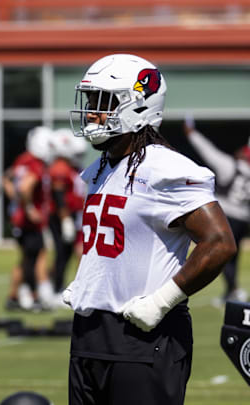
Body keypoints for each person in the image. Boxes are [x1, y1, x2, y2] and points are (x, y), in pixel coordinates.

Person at [64, 54, 236, 405]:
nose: (92, 112)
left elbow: (219, 242)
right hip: (89, 334)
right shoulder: (100, 167)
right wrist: (88, 283)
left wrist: (162, 301)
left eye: (103, 102)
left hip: (144, 334)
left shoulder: (164, 168)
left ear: (138, 106)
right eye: (91, 101)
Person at [184, 116, 249, 303]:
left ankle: (234, 290)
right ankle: (231, 291)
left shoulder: (230, 166)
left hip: (226, 215)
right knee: (232, 256)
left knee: (222, 254)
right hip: (243, 219)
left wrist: (192, 133)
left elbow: (208, 152)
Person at [3, 126, 55, 310]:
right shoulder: (35, 164)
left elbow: (7, 179)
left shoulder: (22, 160)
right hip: (27, 221)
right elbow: (26, 187)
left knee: (28, 257)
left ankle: (15, 297)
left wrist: (15, 201)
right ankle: (31, 295)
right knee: (33, 257)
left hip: (19, 218)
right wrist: (29, 207)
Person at [46, 128, 87, 297]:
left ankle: (57, 285)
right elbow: (58, 194)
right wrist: (65, 219)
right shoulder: (60, 168)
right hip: (63, 215)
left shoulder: (72, 167)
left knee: (68, 252)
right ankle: (55, 288)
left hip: (74, 214)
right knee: (62, 252)